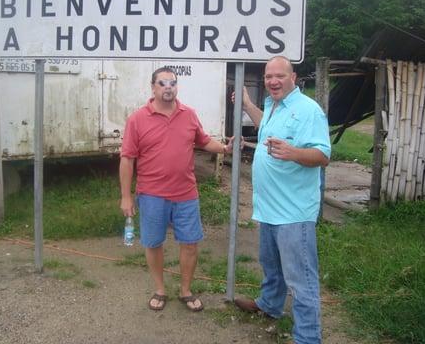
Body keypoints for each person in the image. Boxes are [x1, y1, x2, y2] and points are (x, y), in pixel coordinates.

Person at [119, 66, 238, 312]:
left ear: (177, 87)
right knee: (153, 243)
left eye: (172, 83)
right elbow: (127, 159)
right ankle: (160, 289)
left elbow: (203, 140)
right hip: (151, 195)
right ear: (153, 87)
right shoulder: (137, 119)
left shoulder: (189, 114)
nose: (168, 87)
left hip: (186, 194)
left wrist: (224, 149)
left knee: (191, 243)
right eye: (162, 83)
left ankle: (185, 291)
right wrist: (126, 196)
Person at [233, 56, 331, 344]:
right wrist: (249, 105)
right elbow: (267, 130)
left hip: (294, 213)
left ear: (294, 77)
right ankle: (269, 305)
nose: (273, 81)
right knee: (271, 267)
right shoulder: (274, 106)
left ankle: (308, 337)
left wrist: (293, 153)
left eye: (279, 76)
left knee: (301, 280)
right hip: (270, 208)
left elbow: (323, 156)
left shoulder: (308, 110)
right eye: (268, 77)